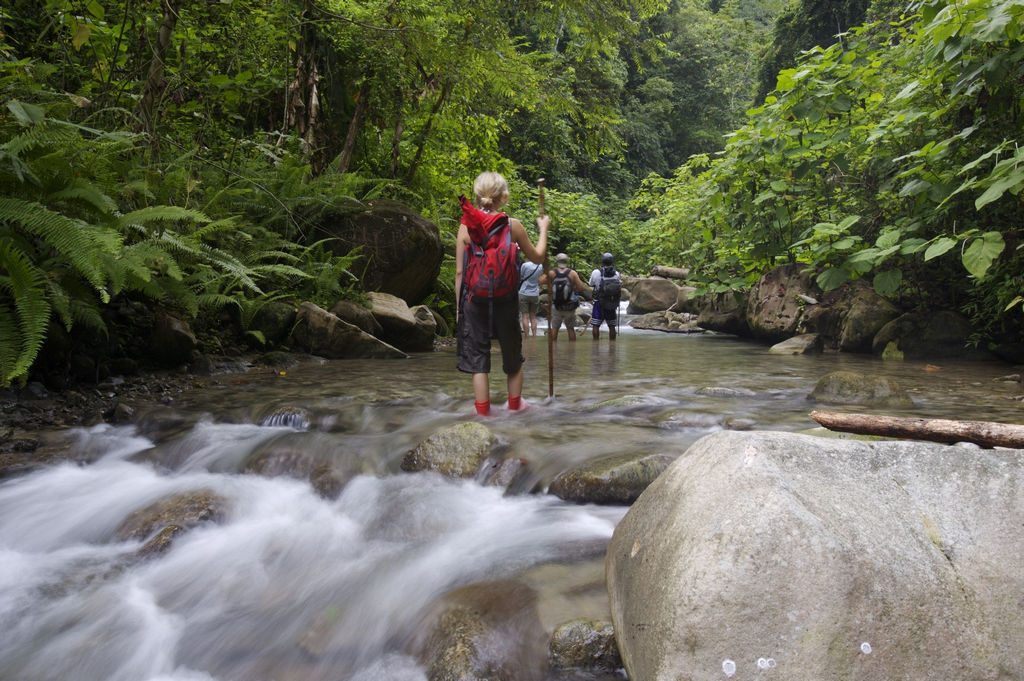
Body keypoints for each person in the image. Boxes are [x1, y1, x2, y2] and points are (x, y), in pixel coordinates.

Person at [456, 172, 548, 416]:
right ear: (504, 198)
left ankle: (484, 415)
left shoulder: (466, 226)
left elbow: (459, 273)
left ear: (477, 196)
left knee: (478, 363)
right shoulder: (512, 226)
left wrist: (459, 310)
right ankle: (515, 409)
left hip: (474, 300)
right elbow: (538, 257)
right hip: (506, 299)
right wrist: (543, 229)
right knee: (513, 359)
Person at [542, 253, 589, 341]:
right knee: (570, 328)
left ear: (557, 261)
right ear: (566, 261)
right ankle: (572, 352)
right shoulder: (572, 273)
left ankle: (554, 350)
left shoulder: (552, 273)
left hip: (556, 306)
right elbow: (581, 288)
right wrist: (573, 287)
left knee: (555, 328)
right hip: (569, 306)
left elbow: (541, 281)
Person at [589, 252, 622, 340]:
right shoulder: (617, 274)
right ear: (612, 262)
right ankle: (612, 347)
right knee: (612, 326)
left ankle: (595, 345)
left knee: (596, 325)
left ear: (602, 261)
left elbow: (591, 284)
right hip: (611, 302)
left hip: (598, 302)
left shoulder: (596, 272)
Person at [518, 259, 544, 336]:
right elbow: (540, 277)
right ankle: (534, 335)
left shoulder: (525, 265)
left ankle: (526, 335)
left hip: (524, 292)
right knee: (533, 316)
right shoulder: (540, 266)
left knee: (525, 315)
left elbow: (521, 276)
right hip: (535, 293)